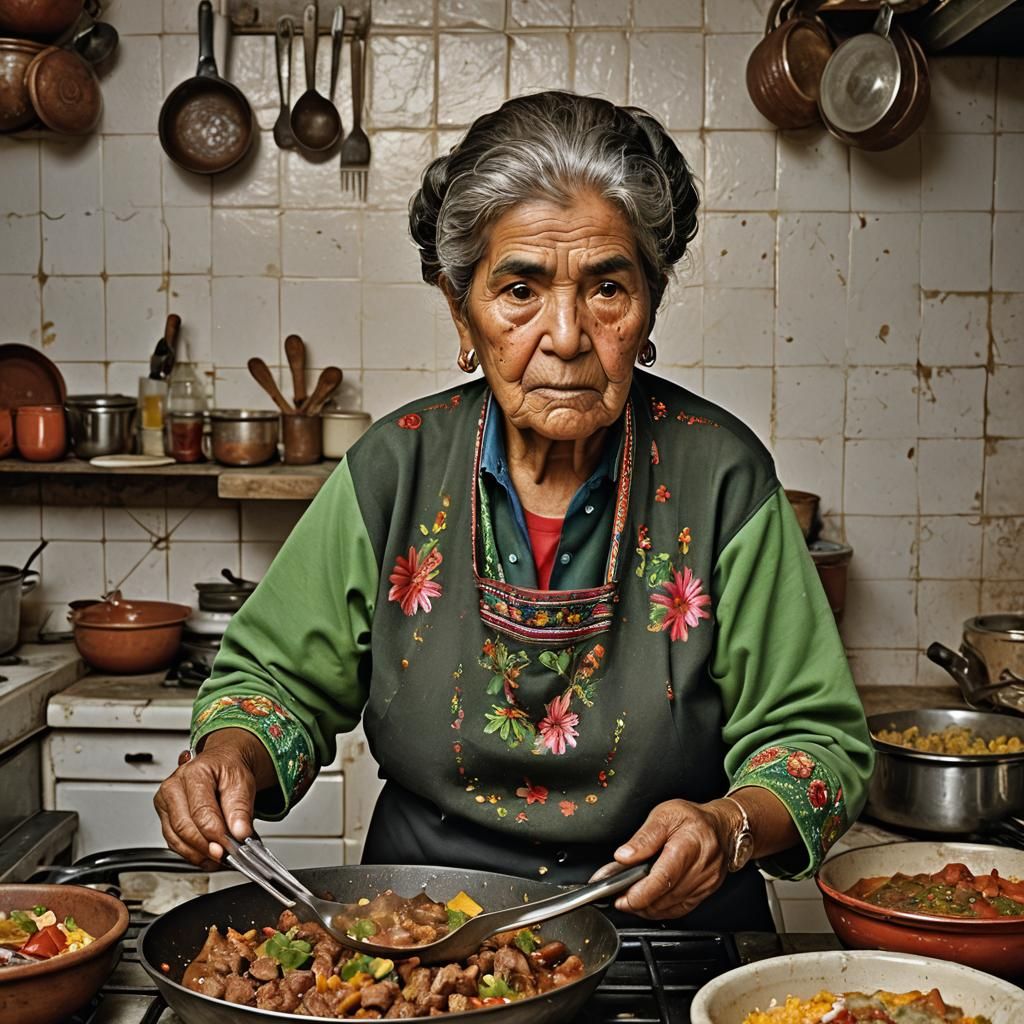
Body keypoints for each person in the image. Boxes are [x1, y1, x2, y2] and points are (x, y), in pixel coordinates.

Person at [155, 91, 873, 931]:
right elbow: (275, 682)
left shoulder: (722, 476)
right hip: (418, 932)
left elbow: (817, 741)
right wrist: (228, 759)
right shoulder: (395, 468)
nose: (566, 335)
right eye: (520, 290)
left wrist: (729, 823)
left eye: (607, 287)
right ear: (461, 310)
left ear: (648, 309)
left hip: (665, 926)